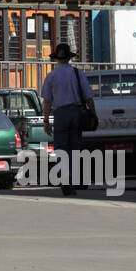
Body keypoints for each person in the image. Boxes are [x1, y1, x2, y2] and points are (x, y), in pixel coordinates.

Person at [39, 43, 94, 196]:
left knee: (61, 148)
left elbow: (47, 101)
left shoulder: (51, 76)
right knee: (75, 147)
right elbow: (88, 96)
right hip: (76, 112)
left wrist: (45, 121)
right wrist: (94, 113)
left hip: (60, 113)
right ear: (69, 58)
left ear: (56, 58)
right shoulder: (77, 74)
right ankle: (74, 178)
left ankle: (65, 179)